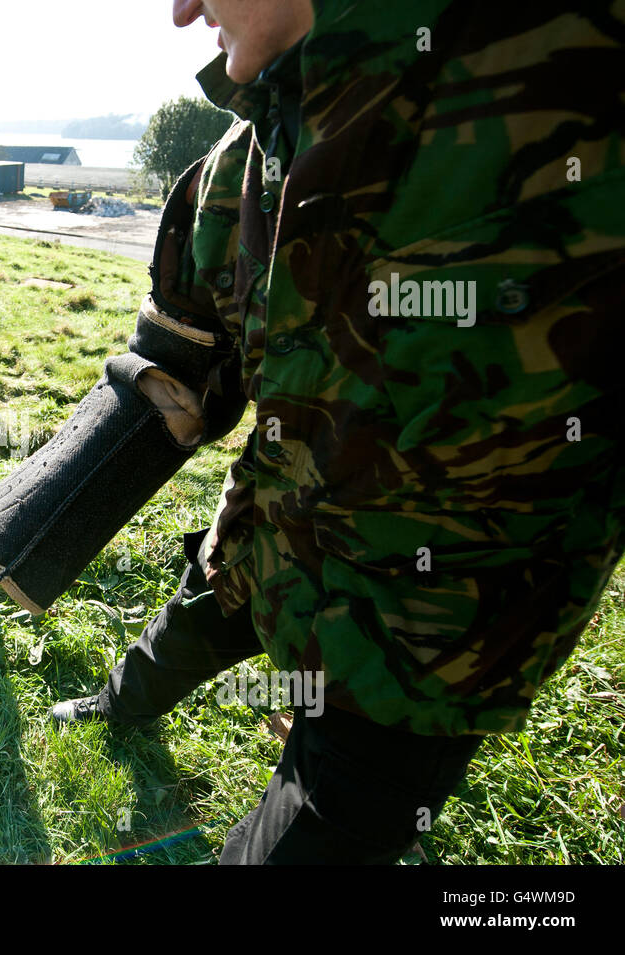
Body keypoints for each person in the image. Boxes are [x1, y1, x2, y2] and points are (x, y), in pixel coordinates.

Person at [49, 0, 625, 863]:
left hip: (427, 635)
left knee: (311, 836)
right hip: (264, 537)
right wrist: (36, 523)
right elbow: (182, 366)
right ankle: (121, 701)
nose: (182, 12)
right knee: (188, 625)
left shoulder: (578, 59)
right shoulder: (240, 162)